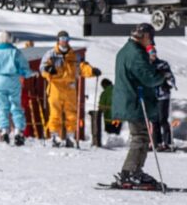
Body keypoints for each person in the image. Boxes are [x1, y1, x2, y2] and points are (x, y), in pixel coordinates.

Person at [112, 23, 170, 186]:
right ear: (144, 36)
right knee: (140, 136)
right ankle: (130, 172)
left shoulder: (128, 50)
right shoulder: (135, 53)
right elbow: (148, 77)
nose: (151, 41)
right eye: (150, 37)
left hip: (132, 99)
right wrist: (161, 77)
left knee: (142, 135)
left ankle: (133, 170)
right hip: (135, 100)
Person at [41, 30, 100, 148]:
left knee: (71, 114)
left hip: (70, 87)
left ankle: (70, 136)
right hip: (56, 87)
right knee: (55, 113)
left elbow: (82, 67)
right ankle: (55, 136)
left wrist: (92, 71)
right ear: (58, 41)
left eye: (66, 40)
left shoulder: (74, 55)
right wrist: (48, 70)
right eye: (62, 39)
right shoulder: (51, 54)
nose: (64, 42)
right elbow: (42, 67)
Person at [0, 30, 33, 146]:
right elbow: (23, 67)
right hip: (13, 80)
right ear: (9, 39)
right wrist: (29, 73)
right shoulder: (15, 52)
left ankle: (4, 131)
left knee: (2, 107)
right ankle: (18, 131)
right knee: (15, 105)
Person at [147, 44, 177, 151]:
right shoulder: (145, 65)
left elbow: (171, 79)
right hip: (150, 96)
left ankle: (167, 143)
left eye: (154, 53)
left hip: (162, 96)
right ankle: (156, 142)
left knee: (162, 119)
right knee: (153, 120)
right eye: (151, 53)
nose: (153, 55)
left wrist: (167, 81)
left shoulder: (162, 64)